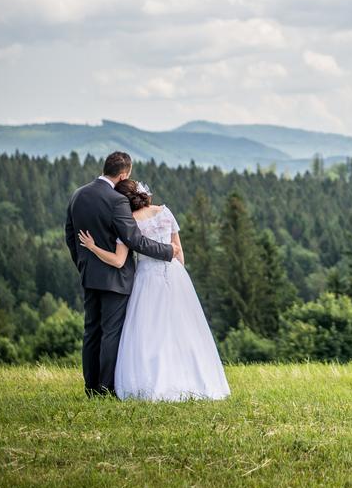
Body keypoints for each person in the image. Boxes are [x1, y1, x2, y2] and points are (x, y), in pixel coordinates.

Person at [76, 177, 230, 401]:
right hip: (176, 276)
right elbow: (178, 252)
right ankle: (196, 379)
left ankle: (154, 381)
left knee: (149, 332)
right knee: (184, 330)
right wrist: (178, 277)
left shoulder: (128, 222)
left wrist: (93, 248)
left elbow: (119, 261)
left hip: (147, 279)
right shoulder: (165, 212)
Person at [65, 151, 181, 397]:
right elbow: (134, 239)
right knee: (111, 333)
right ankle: (106, 388)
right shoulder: (116, 200)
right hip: (116, 279)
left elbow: (70, 235)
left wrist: (83, 265)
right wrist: (167, 250)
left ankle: (91, 388)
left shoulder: (78, 194)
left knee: (91, 331)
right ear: (123, 174)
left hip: (89, 275)